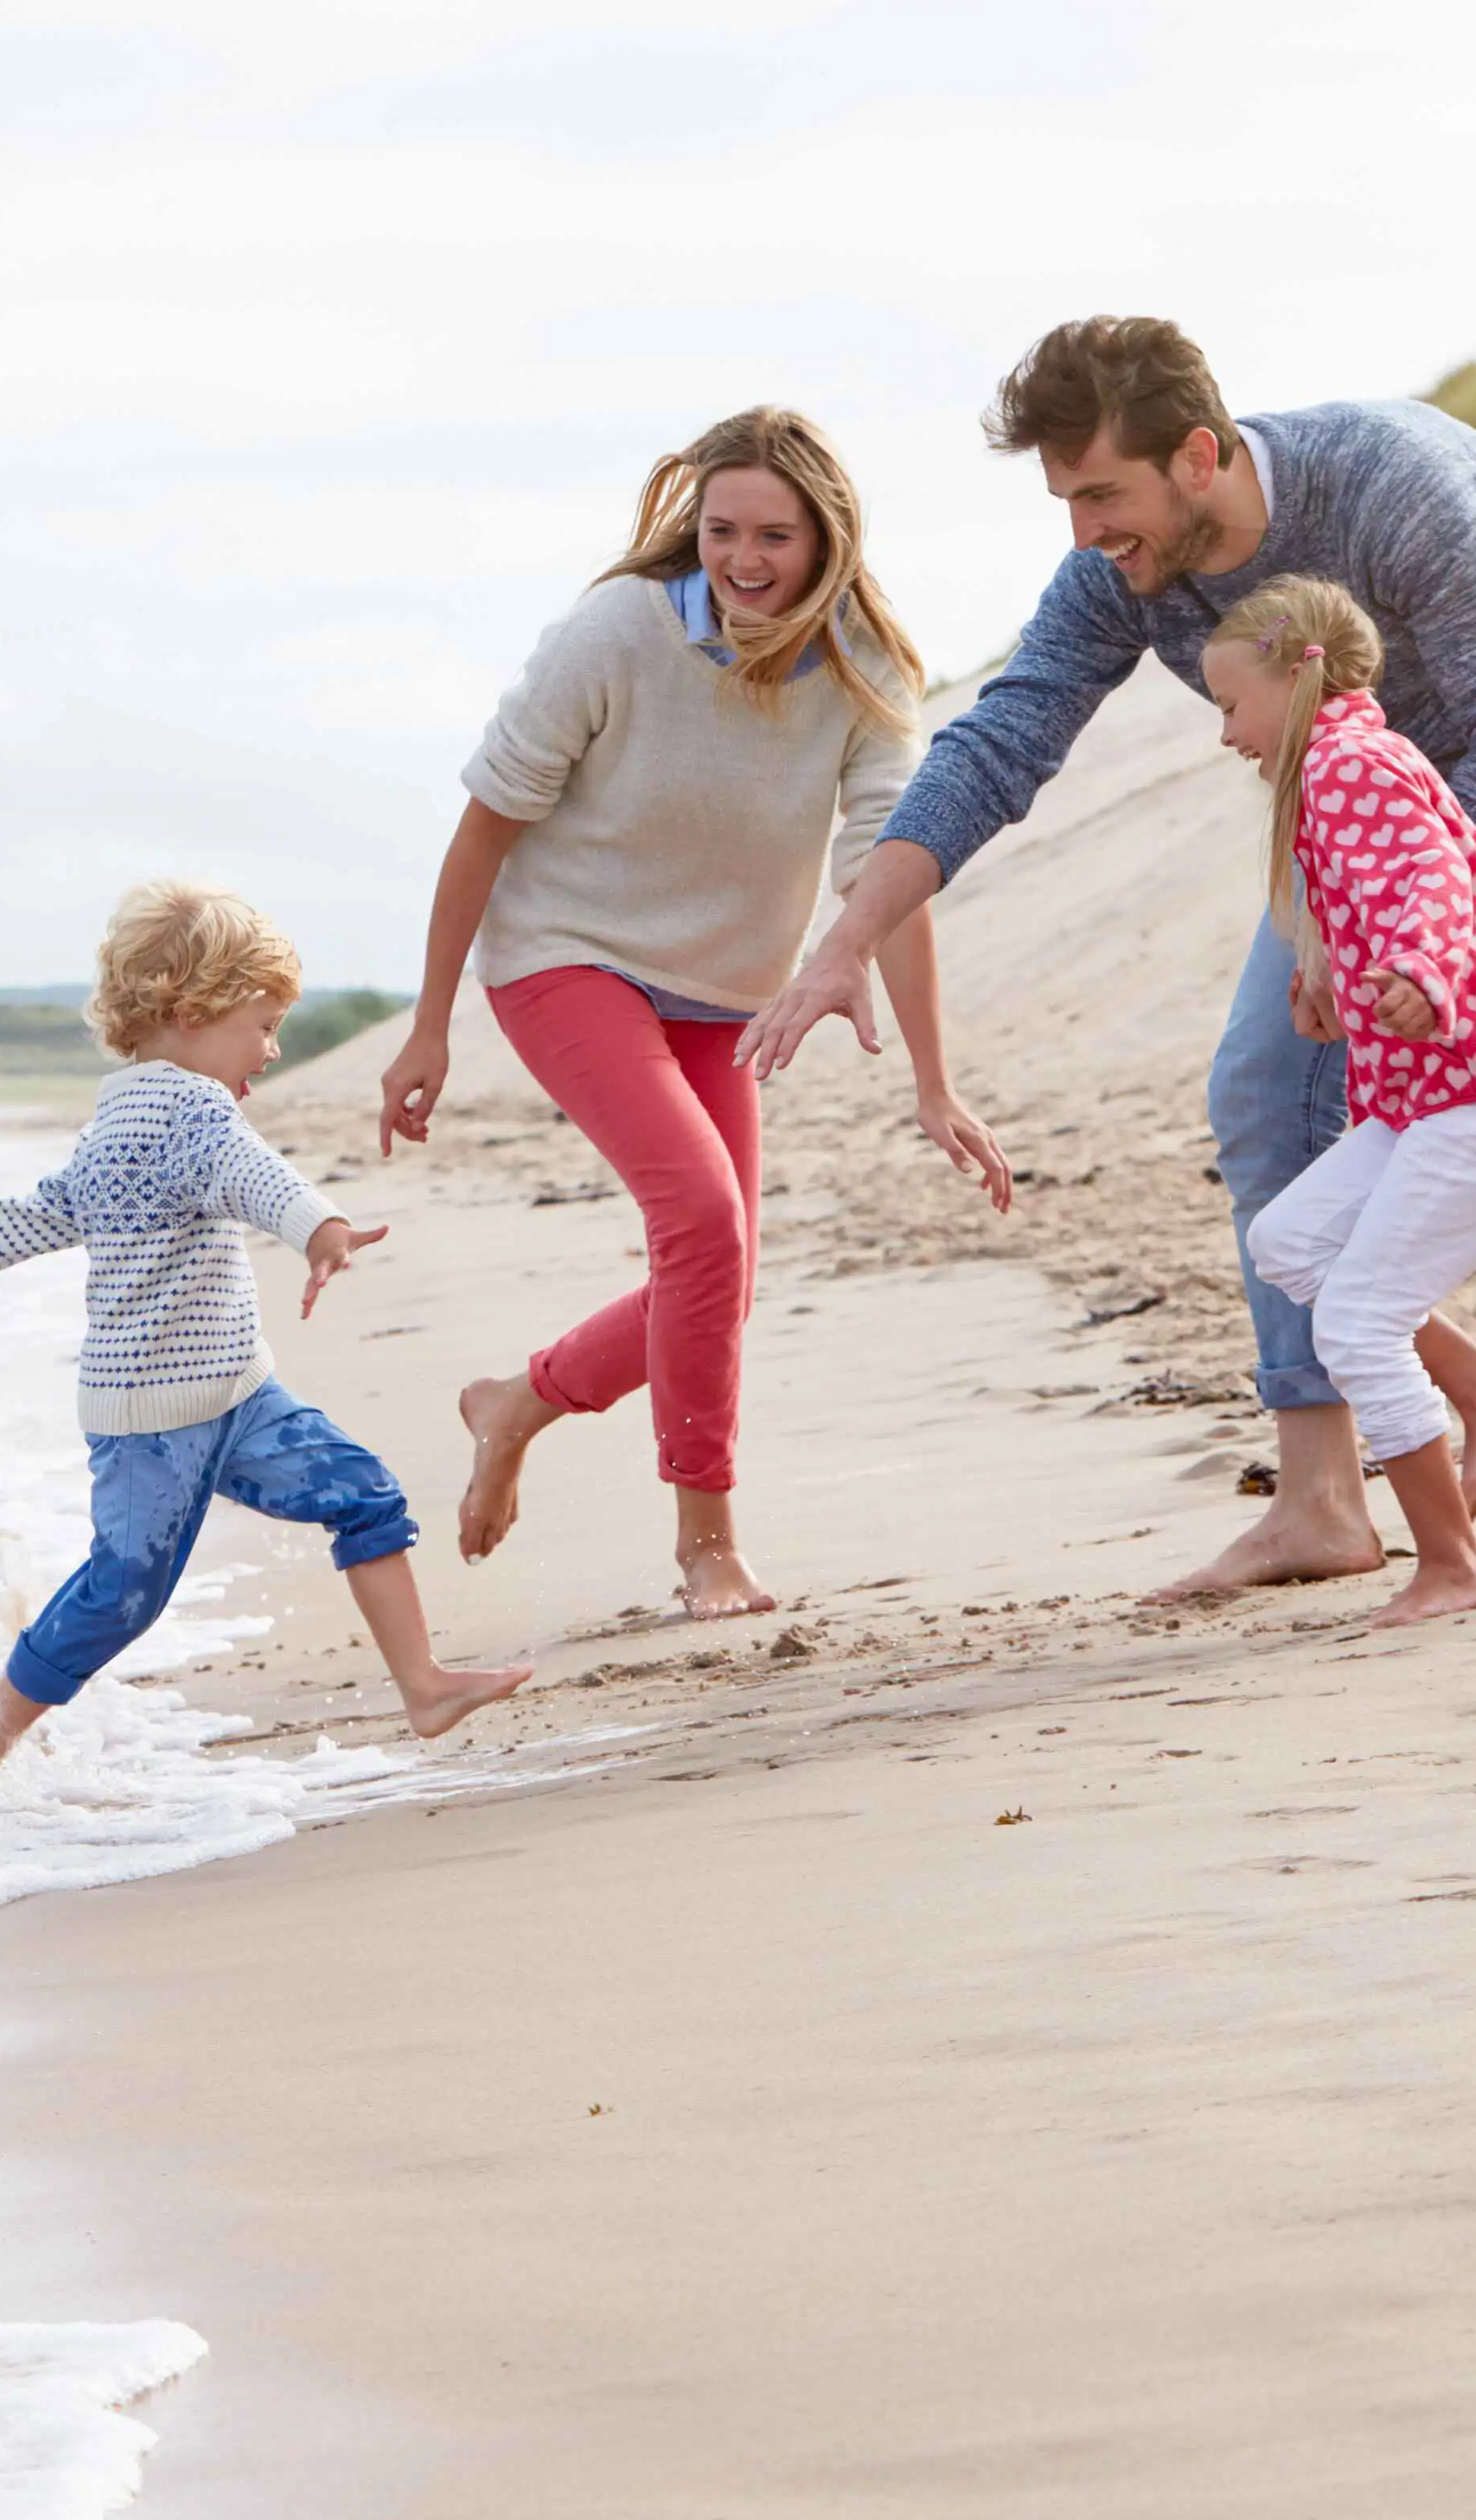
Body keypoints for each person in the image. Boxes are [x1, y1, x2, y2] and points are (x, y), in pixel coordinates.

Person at [732, 315, 1476, 1586]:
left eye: (1102, 493)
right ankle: (1323, 1497)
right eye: (1065, 499)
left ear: (1197, 457)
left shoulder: (1387, 489)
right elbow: (1001, 744)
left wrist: (1374, 923)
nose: (1084, 533)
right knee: (1267, 1089)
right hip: (1355, 792)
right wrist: (846, 937)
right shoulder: (1117, 574)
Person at [377, 406, 1010, 1619]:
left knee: (717, 1270)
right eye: (722, 531)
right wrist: (429, 1023)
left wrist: (935, 1081)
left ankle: (520, 1400)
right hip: (566, 955)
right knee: (705, 1223)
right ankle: (705, 1546)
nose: (745, 561)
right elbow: (484, 830)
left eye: (776, 535)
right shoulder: (615, 632)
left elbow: (896, 865)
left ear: (829, 538)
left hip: (722, 989)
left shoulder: (869, 663)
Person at [0, 880, 528, 1814]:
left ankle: (424, 1685)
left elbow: (25, 1218)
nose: (272, 1051)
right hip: (152, 1424)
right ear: (193, 1010)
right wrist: (320, 1228)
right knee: (122, 1596)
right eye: (264, 1024)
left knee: (361, 1494)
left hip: (237, 1400)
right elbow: (254, 1176)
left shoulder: (118, 1115)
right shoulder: (189, 1115)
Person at [1211, 577, 1476, 1627]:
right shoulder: (1334, 775)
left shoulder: (1352, 764)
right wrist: (1332, 983)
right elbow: (1378, 899)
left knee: (1358, 1320)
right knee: (1291, 1240)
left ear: (1296, 679)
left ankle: (1454, 1562)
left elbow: (1433, 881)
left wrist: (1420, 977)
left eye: (1230, 704)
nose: (1225, 734)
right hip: (1435, 1095)